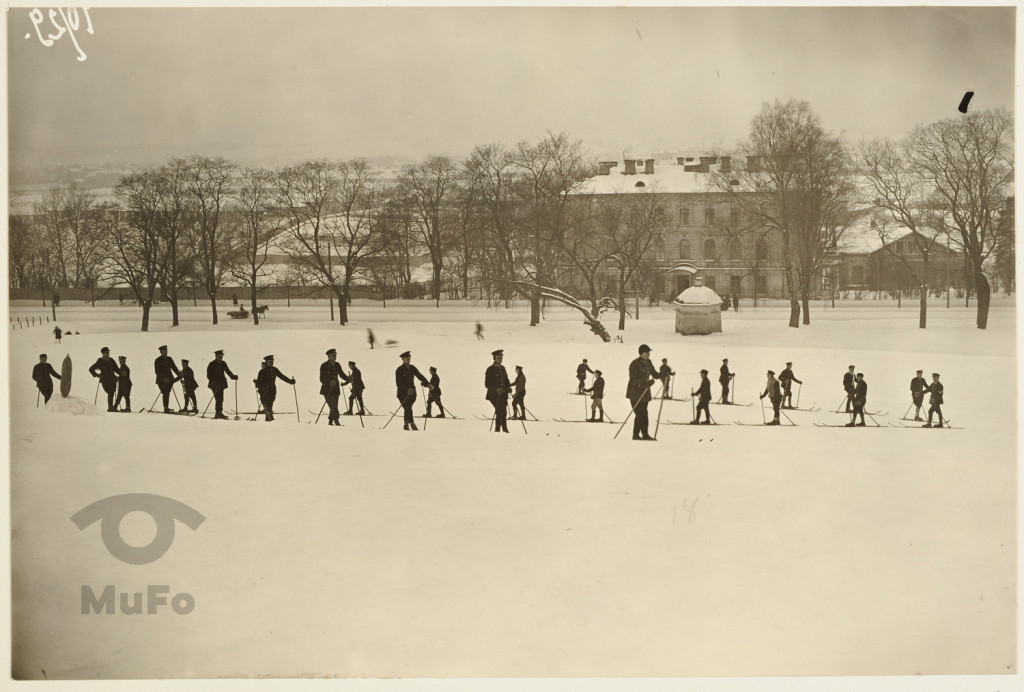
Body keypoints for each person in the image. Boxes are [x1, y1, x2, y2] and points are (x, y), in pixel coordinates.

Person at [626, 344, 658, 441]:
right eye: (647, 352)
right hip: (635, 393)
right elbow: (633, 380)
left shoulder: (649, 362)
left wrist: (664, 374)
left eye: (649, 352)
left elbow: (655, 374)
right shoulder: (634, 364)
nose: (649, 354)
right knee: (641, 414)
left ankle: (636, 435)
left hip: (644, 394)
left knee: (642, 413)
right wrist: (646, 382)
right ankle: (645, 434)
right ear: (642, 353)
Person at [395, 351, 430, 431]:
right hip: (402, 394)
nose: (409, 360)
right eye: (407, 358)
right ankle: (411, 424)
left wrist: (427, 384)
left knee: (408, 408)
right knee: (408, 408)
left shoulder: (412, 368)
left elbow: (419, 376)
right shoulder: (399, 370)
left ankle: (406, 424)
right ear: (403, 359)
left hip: (412, 394)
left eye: (409, 358)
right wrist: (406, 390)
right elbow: (398, 383)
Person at [255, 355, 295, 422]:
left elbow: (282, 377)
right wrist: (258, 384)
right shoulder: (262, 371)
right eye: (270, 361)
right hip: (264, 390)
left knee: (271, 402)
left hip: (272, 389)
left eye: (272, 361)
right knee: (266, 402)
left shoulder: (274, 370)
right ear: (266, 362)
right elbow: (259, 382)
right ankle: (269, 416)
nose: (271, 363)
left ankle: (268, 416)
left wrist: (290, 381)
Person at [319, 348, 350, 426]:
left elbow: (341, 374)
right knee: (333, 406)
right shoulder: (324, 365)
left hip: (336, 389)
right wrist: (329, 382)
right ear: (328, 356)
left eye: (335, 355)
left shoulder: (337, 364)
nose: (335, 357)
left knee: (334, 405)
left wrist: (348, 379)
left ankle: (330, 421)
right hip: (327, 389)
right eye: (333, 355)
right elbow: (322, 379)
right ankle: (336, 421)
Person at [206, 349, 238, 420]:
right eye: (219, 356)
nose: (221, 358)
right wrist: (215, 382)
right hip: (214, 385)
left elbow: (227, 371)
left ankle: (219, 412)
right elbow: (209, 376)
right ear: (216, 356)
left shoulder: (223, 363)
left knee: (221, 399)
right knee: (218, 398)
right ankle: (218, 413)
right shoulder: (211, 364)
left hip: (221, 384)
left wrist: (233, 377)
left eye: (221, 356)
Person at [485, 349, 511, 433]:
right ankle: (503, 429)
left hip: (503, 395)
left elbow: (506, 380)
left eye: (501, 357)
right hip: (494, 395)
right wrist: (496, 389)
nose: (500, 359)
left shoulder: (503, 368)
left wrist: (508, 388)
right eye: (499, 358)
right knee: (500, 410)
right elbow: (487, 384)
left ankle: (499, 430)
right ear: (494, 358)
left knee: (502, 411)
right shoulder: (490, 369)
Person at [88, 347, 119, 412]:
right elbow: (91, 369)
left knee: (112, 393)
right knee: (110, 392)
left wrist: (121, 374)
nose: (108, 353)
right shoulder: (100, 360)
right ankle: (111, 407)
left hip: (112, 379)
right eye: (106, 352)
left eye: (108, 352)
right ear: (103, 353)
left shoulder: (111, 360)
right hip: (105, 380)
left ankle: (111, 407)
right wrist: (97, 375)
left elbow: (116, 369)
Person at [153, 345, 181, 414]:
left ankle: (166, 407)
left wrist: (179, 374)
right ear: (161, 352)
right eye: (164, 351)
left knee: (167, 393)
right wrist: (163, 379)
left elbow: (174, 368)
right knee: (165, 393)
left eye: (166, 351)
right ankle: (165, 408)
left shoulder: (169, 359)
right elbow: (157, 372)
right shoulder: (158, 360)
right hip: (161, 381)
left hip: (170, 380)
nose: (165, 352)